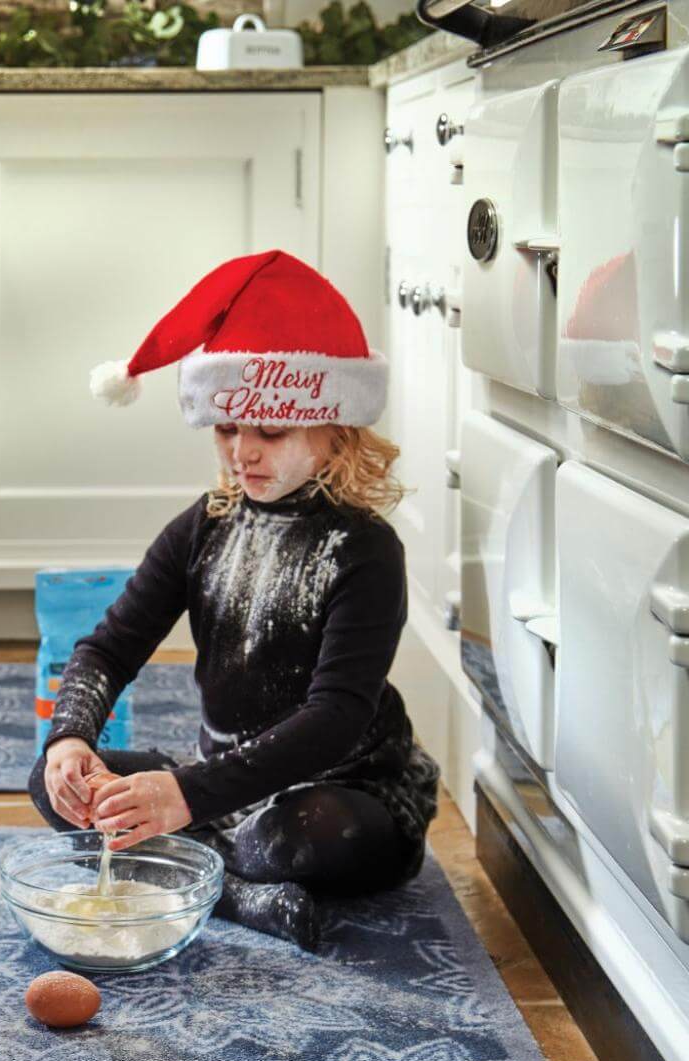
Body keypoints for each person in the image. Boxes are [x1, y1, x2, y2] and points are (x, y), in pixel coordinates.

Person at [27, 248, 439, 952]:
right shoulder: (205, 526)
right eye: (226, 429)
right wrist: (71, 737)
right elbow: (108, 647)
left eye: (269, 432)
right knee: (50, 782)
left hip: (345, 790)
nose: (241, 453)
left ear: (334, 429)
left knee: (290, 839)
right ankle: (237, 889)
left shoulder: (365, 550)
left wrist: (181, 795)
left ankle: (200, 865)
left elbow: (336, 718)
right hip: (222, 784)